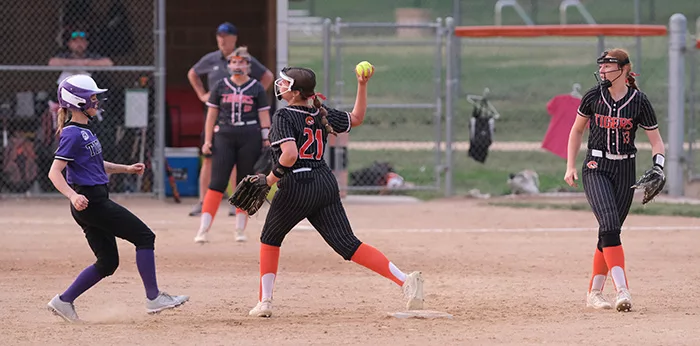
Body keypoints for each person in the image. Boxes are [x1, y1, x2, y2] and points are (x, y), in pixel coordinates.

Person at [245, 66, 424, 318]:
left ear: (296, 93)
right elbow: (357, 118)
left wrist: (270, 180)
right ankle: (405, 280)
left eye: (285, 83)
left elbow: (289, 155)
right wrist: (362, 85)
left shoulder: (283, 117)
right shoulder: (321, 112)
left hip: (298, 184)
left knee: (270, 239)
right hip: (325, 183)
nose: (281, 86)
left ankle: (265, 302)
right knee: (348, 244)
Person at [46, 75, 188, 322]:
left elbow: (95, 163)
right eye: (92, 98)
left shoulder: (84, 130)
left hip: (92, 202)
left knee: (108, 262)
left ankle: (63, 301)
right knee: (145, 237)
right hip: (91, 202)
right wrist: (72, 195)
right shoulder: (72, 133)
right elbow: (54, 171)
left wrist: (127, 168)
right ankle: (153, 297)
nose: (97, 101)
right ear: (77, 102)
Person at [564, 49, 666, 312]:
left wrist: (659, 166)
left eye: (608, 66)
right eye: (601, 66)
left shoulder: (638, 101)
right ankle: (622, 289)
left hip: (625, 169)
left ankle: (594, 293)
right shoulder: (593, 96)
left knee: (609, 231)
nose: (602, 71)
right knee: (609, 224)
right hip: (596, 165)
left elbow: (656, 141)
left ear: (623, 69)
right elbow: (576, 130)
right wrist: (570, 166)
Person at [187, 22, 274, 217]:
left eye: (226, 36)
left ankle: (236, 202)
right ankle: (203, 202)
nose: (222, 39)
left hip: (242, 122)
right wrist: (203, 95)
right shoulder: (211, 59)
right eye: (219, 36)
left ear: (235, 38)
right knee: (209, 159)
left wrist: (252, 93)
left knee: (237, 163)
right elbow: (192, 73)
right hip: (217, 118)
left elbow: (267, 76)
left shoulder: (244, 59)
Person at [193, 47, 271, 243]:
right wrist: (208, 140)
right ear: (228, 65)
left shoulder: (256, 87)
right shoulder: (221, 86)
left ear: (248, 65)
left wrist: (266, 139)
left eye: (242, 62)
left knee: (244, 182)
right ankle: (203, 229)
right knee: (217, 182)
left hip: (249, 135)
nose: (238, 66)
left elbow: (263, 115)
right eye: (234, 62)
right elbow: (211, 115)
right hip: (225, 135)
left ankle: (239, 229)